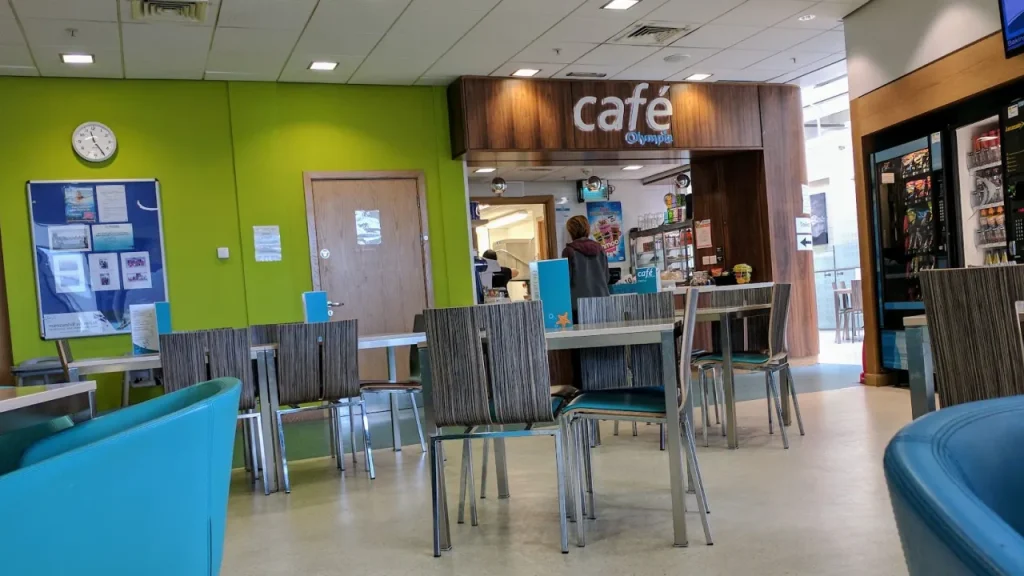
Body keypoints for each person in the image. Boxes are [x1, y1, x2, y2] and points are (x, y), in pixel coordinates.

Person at [562, 215, 610, 316]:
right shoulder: (601, 249)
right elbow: (606, 277)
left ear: (571, 231)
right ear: (587, 229)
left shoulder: (569, 251)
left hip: (577, 306)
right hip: (602, 303)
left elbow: (565, 282)